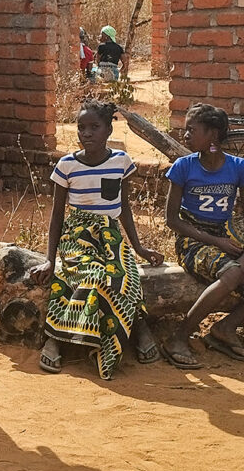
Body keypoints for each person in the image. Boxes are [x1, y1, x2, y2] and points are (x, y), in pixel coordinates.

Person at [29, 100, 163, 380]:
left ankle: (138, 328)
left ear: (108, 130)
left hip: (110, 235)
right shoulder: (67, 165)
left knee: (126, 276)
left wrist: (138, 247)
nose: (86, 133)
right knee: (83, 275)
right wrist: (49, 259)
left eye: (94, 127)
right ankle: (57, 339)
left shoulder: (120, 162)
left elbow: (124, 207)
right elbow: (56, 217)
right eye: (81, 128)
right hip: (77, 235)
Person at [162, 104, 244, 368]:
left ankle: (225, 329)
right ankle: (178, 337)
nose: (185, 135)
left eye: (191, 130)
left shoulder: (237, 167)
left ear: (213, 135)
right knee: (232, 273)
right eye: (186, 129)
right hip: (193, 239)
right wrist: (216, 241)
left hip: (226, 236)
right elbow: (172, 220)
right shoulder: (183, 167)